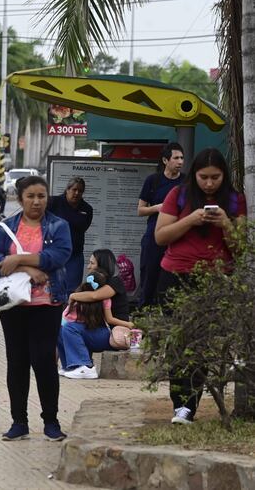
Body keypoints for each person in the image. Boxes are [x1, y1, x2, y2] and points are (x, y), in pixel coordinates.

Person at [155, 148, 246, 425]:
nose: (209, 183)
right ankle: (180, 405)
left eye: (215, 177)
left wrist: (226, 224)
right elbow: (160, 236)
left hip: (214, 281)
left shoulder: (234, 200)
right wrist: (190, 219)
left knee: (202, 344)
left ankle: (190, 405)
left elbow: (241, 248)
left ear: (224, 176)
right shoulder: (178, 195)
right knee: (178, 343)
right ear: (193, 175)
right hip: (175, 275)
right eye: (203, 177)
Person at [0, 175, 72, 442]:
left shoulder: (59, 226)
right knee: (17, 362)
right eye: (31, 196)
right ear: (20, 198)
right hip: (14, 305)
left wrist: (18, 258)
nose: (36, 201)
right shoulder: (5, 228)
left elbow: (59, 255)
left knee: (44, 361)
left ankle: (51, 422)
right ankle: (19, 422)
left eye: (41, 196)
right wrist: (26, 269)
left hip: (47, 304)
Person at [58, 270, 136, 379]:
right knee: (63, 329)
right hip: (97, 336)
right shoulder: (102, 299)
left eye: (92, 263)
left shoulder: (87, 298)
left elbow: (66, 318)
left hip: (106, 337)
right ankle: (70, 366)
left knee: (68, 328)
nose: (90, 266)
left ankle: (85, 366)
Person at [137, 143, 184, 306]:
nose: (180, 162)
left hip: (177, 237)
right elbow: (140, 210)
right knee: (149, 277)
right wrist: (158, 207)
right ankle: (143, 316)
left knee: (172, 280)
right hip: (153, 237)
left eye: (182, 158)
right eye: (176, 158)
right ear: (165, 160)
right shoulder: (153, 180)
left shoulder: (186, 182)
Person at [47, 177, 93, 291]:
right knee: (52, 287)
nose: (77, 193)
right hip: (55, 253)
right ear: (67, 189)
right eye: (74, 189)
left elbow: (84, 227)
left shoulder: (87, 209)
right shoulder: (53, 202)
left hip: (75, 255)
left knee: (72, 289)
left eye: (80, 191)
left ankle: (69, 309)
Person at [66, 249, 130, 325]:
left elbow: (95, 296)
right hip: (99, 325)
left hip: (117, 325)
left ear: (102, 265)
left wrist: (73, 296)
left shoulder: (115, 281)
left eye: (92, 263)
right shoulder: (96, 283)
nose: (88, 267)